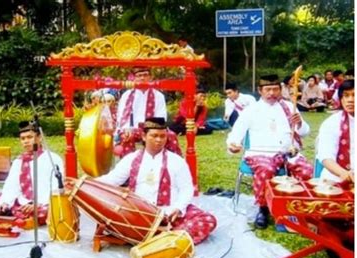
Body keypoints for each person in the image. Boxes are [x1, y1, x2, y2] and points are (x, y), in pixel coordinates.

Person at [98, 117, 216, 244]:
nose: (159, 140)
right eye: (154, 136)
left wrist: (178, 208)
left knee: (208, 220)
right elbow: (112, 180)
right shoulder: (131, 159)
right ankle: (169, 239)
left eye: (163, 136)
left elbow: (186, 189)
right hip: (140, 212)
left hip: (169, 212)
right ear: (144, 136)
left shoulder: (176, 161)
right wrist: (85, 182)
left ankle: (158, 239)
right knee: (110, 218)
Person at [226, 74, 313, 229]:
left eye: (275, 89)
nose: (272, 93)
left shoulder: (289, 106)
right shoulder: (251, 110)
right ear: (260, 91)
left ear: (280, 89)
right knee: (265, 169)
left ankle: (301, 207)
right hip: (261, 155)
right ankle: (263, 208)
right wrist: (233, 145)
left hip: (289, 152)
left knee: (307, 170)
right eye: (268, 90)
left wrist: (299, 123)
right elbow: (236, 133)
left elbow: (305, 132)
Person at [0, 121, 64, 223]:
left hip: (44, 202)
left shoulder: (51, 158)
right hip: (23, 201)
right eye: (23, 139)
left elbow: (57, 187)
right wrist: (5, 202)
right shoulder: (18, 161)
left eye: (29, 137)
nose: (26, 141)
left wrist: (37, 204)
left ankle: (20, 213)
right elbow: (12, 185)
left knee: (46, 212)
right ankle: (16, 211)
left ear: (39, 138)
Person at [114, 67, 180, 157]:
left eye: (145, 75)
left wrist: (151, 129)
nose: (142, 78)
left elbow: (161, 117)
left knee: (171, 135)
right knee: (126, 137)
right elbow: (121, 116)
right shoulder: (126, 95)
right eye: (139, 76)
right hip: (132, 129)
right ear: (134, 78)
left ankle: (172, 166)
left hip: (153, 127)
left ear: (150, 77)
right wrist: (126, 129)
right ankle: (129, 168)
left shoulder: (158, 95)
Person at [317, 79, 354, 183]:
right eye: (346, 96)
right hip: (335, 180)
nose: (350, 100)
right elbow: (326, 156)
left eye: (354, 95)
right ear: (341, 99)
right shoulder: (332, 123)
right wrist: (343, 173)